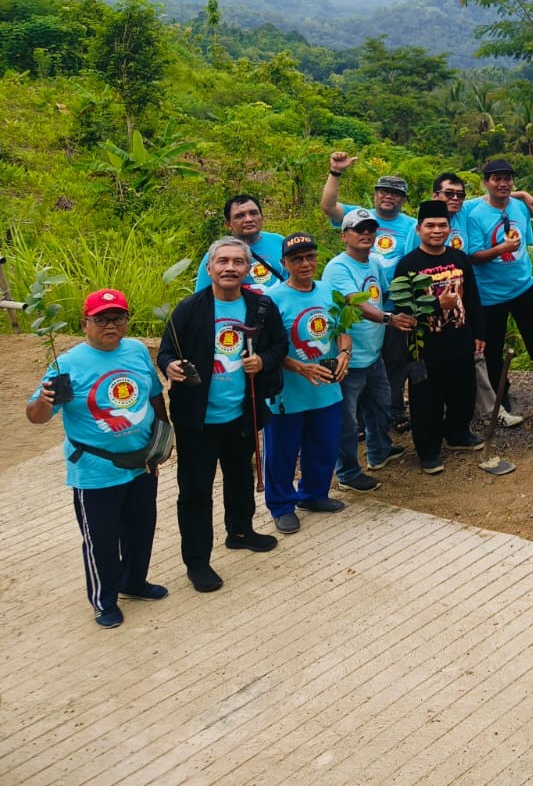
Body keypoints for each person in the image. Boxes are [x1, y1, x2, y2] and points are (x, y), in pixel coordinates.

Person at [26, 288, 171, 628]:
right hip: (95, 470)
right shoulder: (66, 364)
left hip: (141, 462)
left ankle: (134, 582)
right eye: (101, 319)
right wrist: (45, 399)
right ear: (84, 323)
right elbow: (36, 417)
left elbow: (153, 394)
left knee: (141, 528)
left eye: (117, 317)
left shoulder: (135, 350)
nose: (110, 325)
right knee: (102, 540)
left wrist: (163, 436)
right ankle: (104, 599)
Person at [157, 237, 289, 593]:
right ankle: (197, 562)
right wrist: (172, 367)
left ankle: (241, 531)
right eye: (222, 261)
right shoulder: (189, 309)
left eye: (237, 262)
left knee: (239, 477)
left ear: (248, 268)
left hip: (241, 413)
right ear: (210, 268)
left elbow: (280, 345)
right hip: (197, 421)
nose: (230, 267)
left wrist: (263, 361)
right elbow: (165, 353)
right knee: (196, 490)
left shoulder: (261, 307)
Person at [321, 153, 419, 430]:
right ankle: (360, 422)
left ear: (403, 200)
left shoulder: (411, 226)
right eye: (383, 192)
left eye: (396, 194)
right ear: (375, 195)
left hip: (391, 302)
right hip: (363, 307)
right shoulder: (359, 217)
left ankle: (393, 410)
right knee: (359, 361)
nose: (389, 197)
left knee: (393, 361)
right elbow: (328, 206)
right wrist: (335, 172)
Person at [262, 232, 351, 532]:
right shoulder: (272, 300)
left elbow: (342, 327)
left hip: (327, 386)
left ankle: (313, 494)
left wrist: (345, 354)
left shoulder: (329, 290)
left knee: (323, 445)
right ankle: (282, 504)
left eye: (310, 257)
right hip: (288, 392)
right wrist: (300, 368)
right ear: (284, 263)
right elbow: (268, 349)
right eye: (297, 259)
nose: (305, 264)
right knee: (282, 451)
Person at [322, 207, 414, 491]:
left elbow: (383, 294)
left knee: (380, 407)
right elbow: (355, 302)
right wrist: (390, 319)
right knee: (347, 422)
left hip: (373, 354)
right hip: (348, 359)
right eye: (358, 229)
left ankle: (379, 452)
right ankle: (348, 474)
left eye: (370, 229)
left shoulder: (373, 261)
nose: (366, 234)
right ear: (344, 235)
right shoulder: (338, 268)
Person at [462, 157, 533, 423]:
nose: (502, 183)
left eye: (507, 179)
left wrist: (522, 195)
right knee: (492, 349)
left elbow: (525, 243)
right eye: (497, 179)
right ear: (486, 183)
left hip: (522, 285)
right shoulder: (475, 215)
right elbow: (472, 256)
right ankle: (499, 395)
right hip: (489, 294)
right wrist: (500, 250)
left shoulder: (519, 207)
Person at [394, 200, 487, 473]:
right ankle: (429, 451)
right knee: (427, 402)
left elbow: (472, 297)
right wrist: (437, 306)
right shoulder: (408, 265)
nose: (437, 230)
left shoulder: (459, 258)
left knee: (463, 393)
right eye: (430, 225)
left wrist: (479, 331)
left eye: (442, 225)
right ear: (419, 228)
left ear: (449, 228)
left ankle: (458, 435)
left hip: (459, 338)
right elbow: (403, 310)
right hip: (425, 347)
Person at [196, 193, 286, 292]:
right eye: (240, 216)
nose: (248, 219)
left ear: (262, 217)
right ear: (228, 224)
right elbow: (202, 298)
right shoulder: (217, 254)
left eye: (253, 213)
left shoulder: (279, 241)